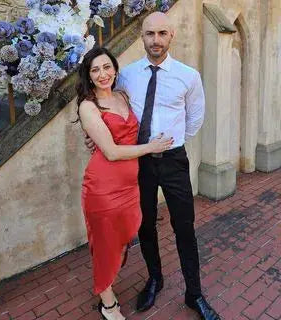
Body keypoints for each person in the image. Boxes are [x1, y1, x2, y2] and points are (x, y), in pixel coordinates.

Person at [85, 12, 221, 320]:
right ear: (142, 37)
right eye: (149, 34)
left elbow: (195, 117)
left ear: (171, 35)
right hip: (139, 163)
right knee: (145, 226)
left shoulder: (188, 75)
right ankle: (155, 278)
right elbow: (105, 107)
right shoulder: (127, 75)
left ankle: (194, 293)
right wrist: (94, 136)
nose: (155, 40)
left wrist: (172, 142)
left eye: (162, 33)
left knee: (184, 226)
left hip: (173, 161)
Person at [76, 47, 174, 320]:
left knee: (120, 239)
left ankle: (106, 287)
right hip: (103, 187)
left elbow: (128, 132)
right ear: (89, 75)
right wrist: (150, 146)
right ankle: (107, 302)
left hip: (130, 185)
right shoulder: (88, 105)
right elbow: (111, 152)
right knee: (105, 244)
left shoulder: (122, 96)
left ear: (115, 70)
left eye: (107, 67)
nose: (102, 74)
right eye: (95, 70)